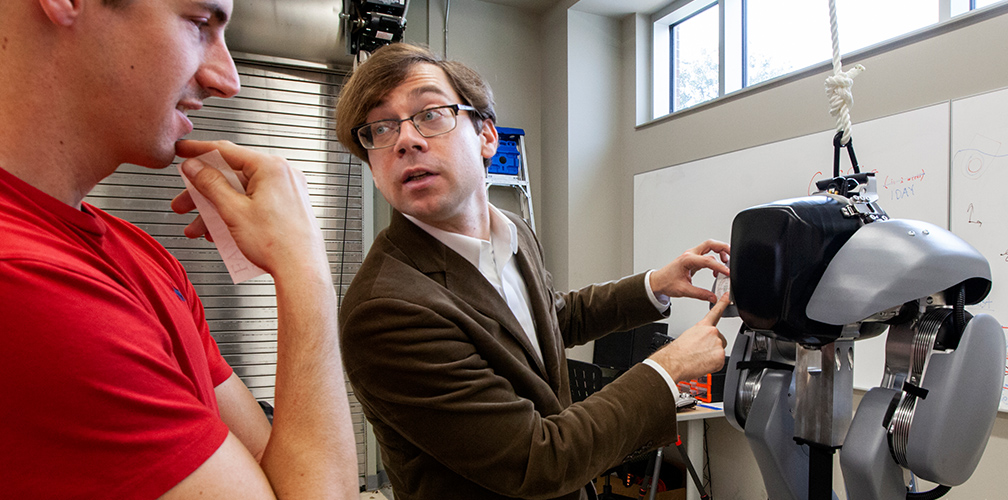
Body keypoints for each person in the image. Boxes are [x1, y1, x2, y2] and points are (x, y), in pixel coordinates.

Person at [335, 42, 731, 500]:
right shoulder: (386, 311)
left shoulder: (514, 232)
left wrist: (653, 287)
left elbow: (550, 320)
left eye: (430, 113)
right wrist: (670, 368)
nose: (406, 139)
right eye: (380, 128)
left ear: (487, 136)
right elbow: (538, 460)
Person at [0, 1, 357, 498]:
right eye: (198, 24)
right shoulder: (26, 283)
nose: (227, 79)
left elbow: (279, 478)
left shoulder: (139, 253)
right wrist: (304, 269)